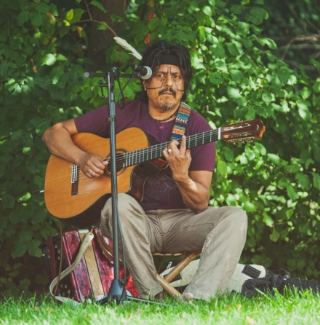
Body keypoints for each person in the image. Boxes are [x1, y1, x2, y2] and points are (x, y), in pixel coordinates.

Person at [42, 40, 247, 301]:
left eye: (177, 77)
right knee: (119, 204)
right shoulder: (121, 113)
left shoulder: (198, 128)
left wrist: (182, 176)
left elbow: (200, 202)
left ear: (184, 85)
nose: (169, 84)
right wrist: (82, 158)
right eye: (160, 75)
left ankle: (199, 298)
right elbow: (53, 134)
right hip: (132, 224)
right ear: (144, 81)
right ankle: (153, 297)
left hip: (181, 223)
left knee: (235, 216)